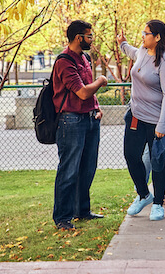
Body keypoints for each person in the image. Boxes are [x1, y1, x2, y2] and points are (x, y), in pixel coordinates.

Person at [117, 20, 165, 221]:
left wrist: (162, 125)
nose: (142, 36)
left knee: (158, 161)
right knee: (131, 156)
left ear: (157, 37)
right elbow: (132, 52)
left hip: (158, 120)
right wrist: (122, 44)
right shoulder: (143, 51)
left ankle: (158, 203)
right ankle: (144, 195)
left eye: (146, 33)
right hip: (136, 116)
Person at [52, 20, 107, 230]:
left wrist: (97, 106)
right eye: (89, 36)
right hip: (71, 120)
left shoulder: (84, 58)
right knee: (69, 170)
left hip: (90, 118)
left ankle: (82, 210)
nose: (92, 40)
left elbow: (88, 92)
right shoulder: (64, 61)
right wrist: (101, 81)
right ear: (78, 37)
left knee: (87, 168)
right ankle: (62, 217)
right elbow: (82, 91)